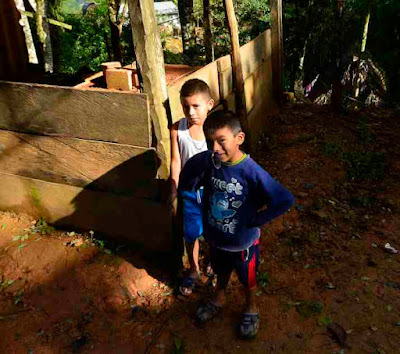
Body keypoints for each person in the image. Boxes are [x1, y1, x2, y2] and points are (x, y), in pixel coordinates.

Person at [178, 111, 294, 339]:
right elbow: (189, 180)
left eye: (221, 141)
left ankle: (251, 307)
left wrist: (256, 220)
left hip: (243, 245)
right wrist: (199, 164)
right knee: (220, 272)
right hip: (217, 240)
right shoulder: (211, 163)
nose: (215, 148)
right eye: (210, 142)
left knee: (247, 279)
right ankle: (219, 298)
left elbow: (284, 199)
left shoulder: (251, 171)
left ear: (239, 138)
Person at [170, 78, 215, 296]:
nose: (191, 112)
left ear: (210, 105)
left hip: (213, 191)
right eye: (186, 107)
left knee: (214, 228)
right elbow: (176, 160)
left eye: (196, 106)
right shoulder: (177, 129)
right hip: (188, 192)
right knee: (191, 232)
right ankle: (194, 269)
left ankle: (212, 260)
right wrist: (173, 185)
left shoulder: (214, 131)